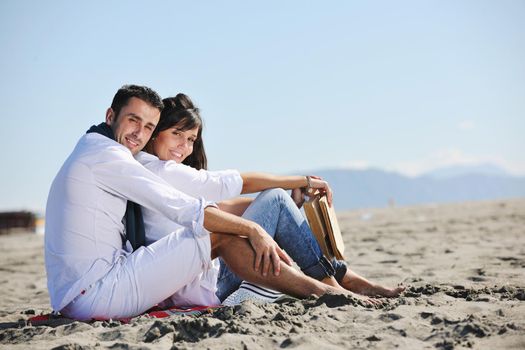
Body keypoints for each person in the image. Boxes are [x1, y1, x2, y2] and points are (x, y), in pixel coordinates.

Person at [45, 84, 366, 321]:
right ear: (111, 116)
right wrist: (254, 229)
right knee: (212, 231)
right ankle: (327, 288)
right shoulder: (110, 158)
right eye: (133, 121)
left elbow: (219, 206)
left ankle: (329, 283)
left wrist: (263, 213)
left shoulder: (95, 148)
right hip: (97, 294)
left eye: (148, 126)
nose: (139, 133)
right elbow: (187, 210)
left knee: (230, 222)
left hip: (82, 292)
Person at [136, 93, 405, 305]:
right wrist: (303, 181)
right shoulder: (160, 170)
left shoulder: (152, 173)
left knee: (276, 201)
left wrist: (290, 206)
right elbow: (240, 183)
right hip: (205, 286)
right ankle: (336, 281)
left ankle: (339, 277)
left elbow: (225, 208)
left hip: (201, 281)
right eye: (177, 135)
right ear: (155, 132)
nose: (184, 147)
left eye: (191, 139)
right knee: (275, 198)